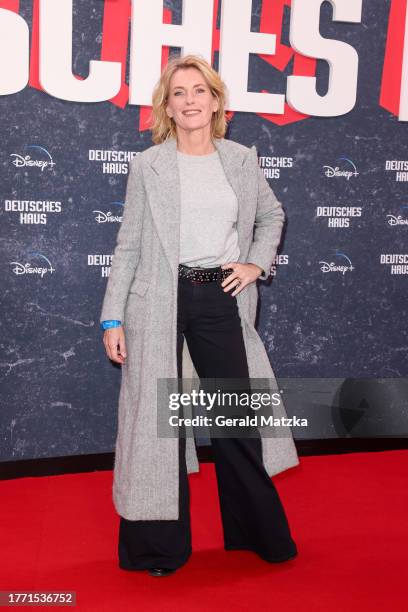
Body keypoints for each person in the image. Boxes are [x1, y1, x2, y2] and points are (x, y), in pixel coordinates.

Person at [100, 54, 299, 577]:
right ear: (166, 106)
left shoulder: (240, 159)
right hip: (157, 302)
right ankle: (157, 550)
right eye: (178, 92)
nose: (190, 101)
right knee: (157, 429)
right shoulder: (149, 165)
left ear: (216, 100)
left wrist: (256, 262)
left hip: (219, 300)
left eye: (199, 90)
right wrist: (111, 317)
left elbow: (271, 215)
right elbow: (128, 246)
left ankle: (258, 536)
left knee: (235, 421)